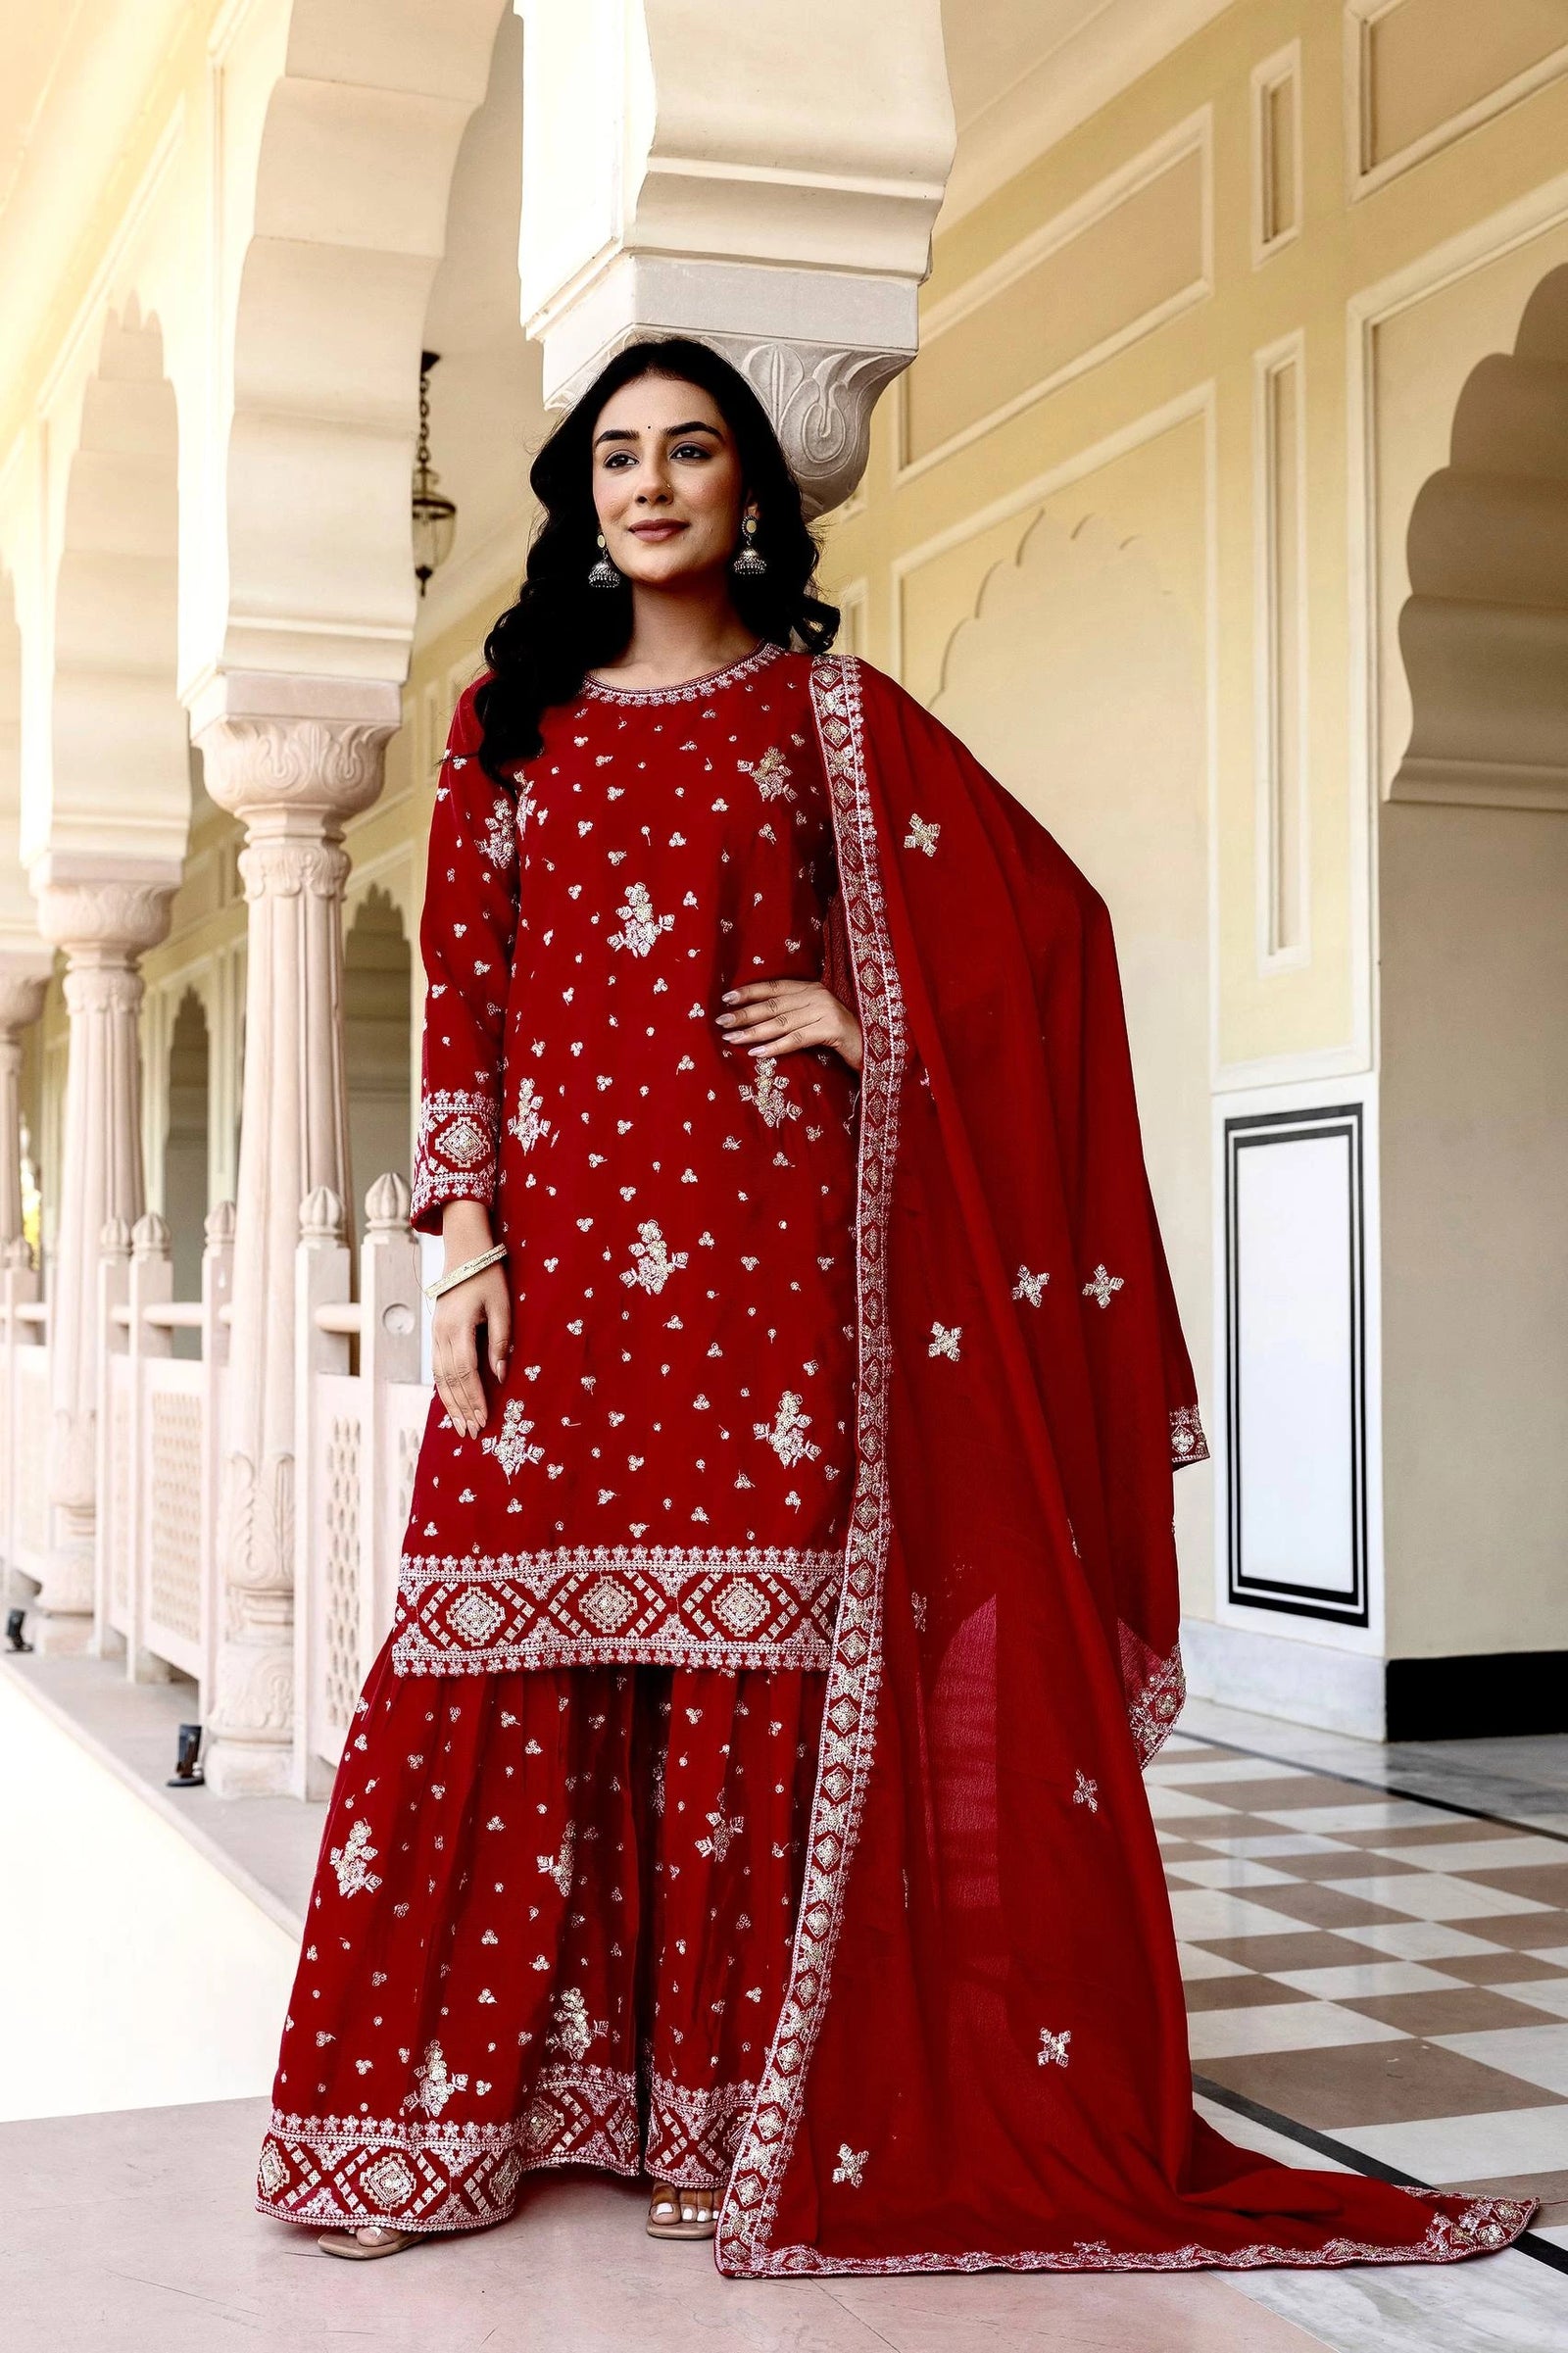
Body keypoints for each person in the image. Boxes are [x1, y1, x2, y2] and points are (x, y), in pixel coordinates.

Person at [255, 338, 1532, 2275]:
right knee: (489, 1636)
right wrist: (465, 1239)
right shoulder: (505, 723)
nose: (650, 484)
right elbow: (469, 989)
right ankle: (431, 2115)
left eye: (690, 450)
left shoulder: (825, 712)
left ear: (749, 491)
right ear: (582, 496)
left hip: (770, 1259)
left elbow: (1044, 925)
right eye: (618, 455)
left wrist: (872, 1019)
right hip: (559, 1271)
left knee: (754, 1659)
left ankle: (724, 2115)